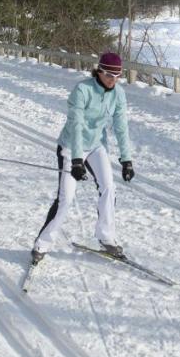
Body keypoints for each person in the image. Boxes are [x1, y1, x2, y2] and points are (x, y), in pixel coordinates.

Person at [32, 52, 135, 265]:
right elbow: (77, 126)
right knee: (66, 199)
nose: (113, 80)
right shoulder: (82, 90)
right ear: (99, 71)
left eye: (117, 76)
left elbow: (121, 126)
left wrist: (127, 159)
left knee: (108, 187)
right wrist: (77, 160)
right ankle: (42, 243)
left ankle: (106, 236)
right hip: (71, 147)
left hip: (97, 145)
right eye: (109, 75)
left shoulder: (119, 94)